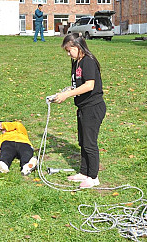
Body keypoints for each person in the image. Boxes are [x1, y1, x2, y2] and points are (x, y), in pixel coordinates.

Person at [53, 33, 106, 188]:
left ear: (77, 47)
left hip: (93, 107)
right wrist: (66, 91)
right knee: (82, 141)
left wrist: (67, 95)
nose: (68, 54)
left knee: (90, 143)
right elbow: (79, 84)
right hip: (83, 107)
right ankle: (84, 172)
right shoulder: (77, 62)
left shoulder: (88, 61)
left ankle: (94, 177)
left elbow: (89, 85)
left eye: (69, 50)